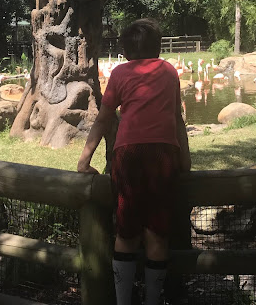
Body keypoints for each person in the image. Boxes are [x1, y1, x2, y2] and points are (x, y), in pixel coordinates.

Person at [77, 18, 191, 305]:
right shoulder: (169, 71)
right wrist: (185, 158)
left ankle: (123, 301)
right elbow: (177, 118)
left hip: (128, 154)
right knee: (158, 234)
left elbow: (104, 119)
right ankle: (153, 300)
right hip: (164, 154)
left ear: (126, 50)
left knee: (126, 233)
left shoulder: (119, 73)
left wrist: (84, 159)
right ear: (158, 47)